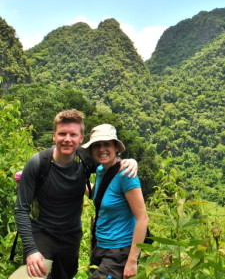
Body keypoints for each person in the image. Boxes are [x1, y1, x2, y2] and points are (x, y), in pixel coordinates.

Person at [14, 109, 138, 279]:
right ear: (54, 136)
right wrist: (30, 250)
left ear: (81, 138)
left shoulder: (85, 160)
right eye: (62, 134)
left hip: (71, 238)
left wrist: (130, 162)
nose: (67, 139)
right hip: (42, 234)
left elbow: (110, 169)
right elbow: (21, 209)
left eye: (73, 135)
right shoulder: (38, 163)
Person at [82, 123, 148, 279]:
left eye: (107, 144)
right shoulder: (100, 171)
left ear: (116, 147)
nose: (101, 149)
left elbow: (142, 218)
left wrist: (132, 260)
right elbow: (101, 195)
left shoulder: (126, 174)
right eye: (96, 145)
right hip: (99, 245)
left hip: (119, 251)